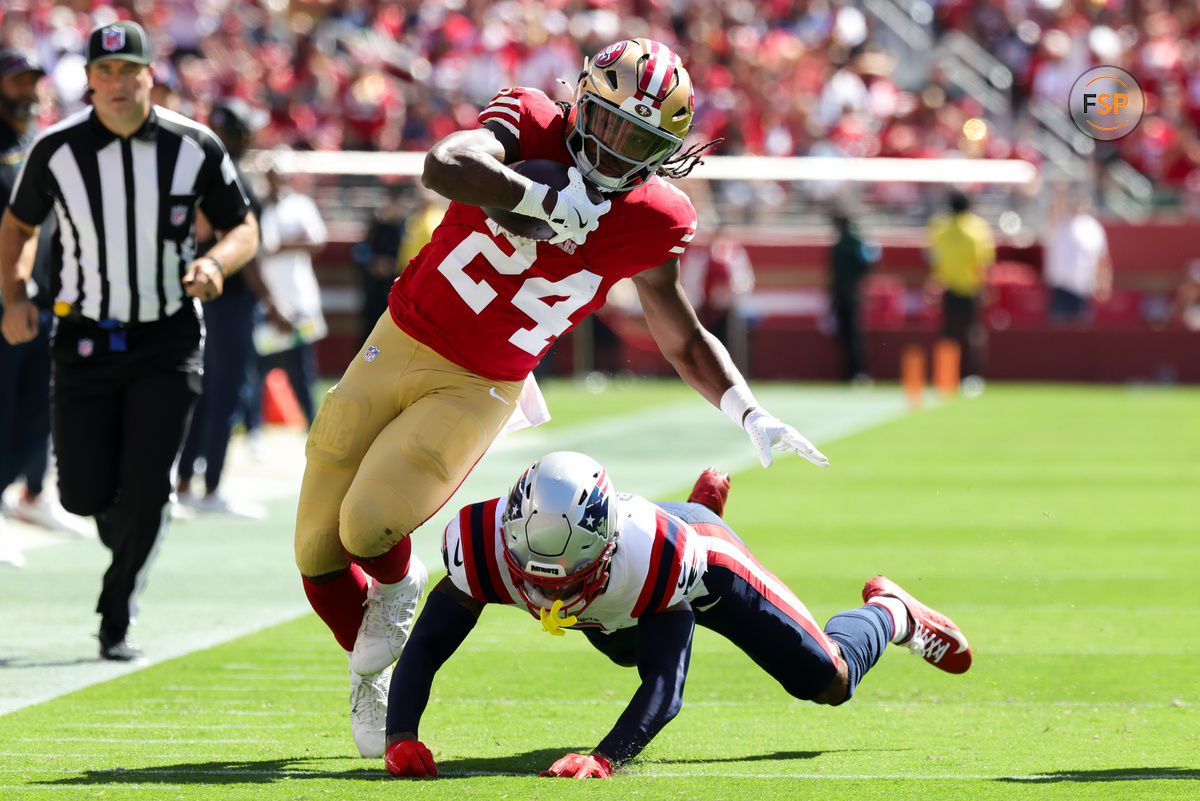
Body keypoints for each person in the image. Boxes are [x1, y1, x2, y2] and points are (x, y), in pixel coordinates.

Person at [293, 38, 829, 760]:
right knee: (316, 549)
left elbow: (680, 331)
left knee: (365, 527)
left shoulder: (653, 216)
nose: (610, 147)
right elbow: (444, 165)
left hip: (480, 378)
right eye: (605, 120)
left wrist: (747, 410)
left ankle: (390, 610)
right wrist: (537, 199)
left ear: (663, 150)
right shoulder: (533, 121)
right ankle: (372, 660)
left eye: (634, 138)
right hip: (399, 334)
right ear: (581, 99)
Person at [382, 452, 973, 778]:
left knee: (827, 682)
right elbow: (429, 643)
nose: (546, 591)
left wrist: (605, 756)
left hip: (701, 563)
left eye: (566, 577)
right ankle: (695, 504)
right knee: (618, 645)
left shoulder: (658, 559)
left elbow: (665, 687)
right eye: (530, 574)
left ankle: (892, 612)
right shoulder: (482, 545)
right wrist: (400, 735)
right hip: (623, 596)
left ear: (605, 547)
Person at [0, 21, 259, 660]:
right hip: (83, 333)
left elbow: (242, 226)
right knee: (83, 492)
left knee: (148, 483)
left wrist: (215, 264)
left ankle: (116, 616)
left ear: (151, 76)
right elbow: (18, 224)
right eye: (104, 72)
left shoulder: (194, 145)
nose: (117, 83)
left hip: (168, 337)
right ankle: (134, 527)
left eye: (129, 71)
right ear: (88, 79)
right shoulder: (55, 149)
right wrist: (13, 294)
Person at [176, 98, 281, 517]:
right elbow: (246, 250)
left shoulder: (205, 174)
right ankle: (211, 486)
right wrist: (272, 300)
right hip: (231, 297)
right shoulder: (234, 178)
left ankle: (186, 480)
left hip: (205, 295)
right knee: (226, 392)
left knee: (205, 393)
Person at [253, 162, 327, 427]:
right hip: (266, 304)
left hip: (300, 301)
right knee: (258, 370)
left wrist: (280, 244)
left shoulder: (300, 205)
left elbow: (316, 241)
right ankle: (253, 431)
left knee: (303, 370)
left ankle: (313, 426)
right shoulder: (258, 207)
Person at [926, 190, 994, 394]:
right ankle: (972, 376)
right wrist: (986, 287)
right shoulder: (977, 229)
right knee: (972, 334)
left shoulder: (939, 227)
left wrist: (935, 281)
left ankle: (946, 376)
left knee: (948, 334)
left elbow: (933, 258)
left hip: (947, 287)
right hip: (970, 288)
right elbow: (983, 263)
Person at [1042, 185, 1112, 327]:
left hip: (1083, 290)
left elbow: (1102, 258)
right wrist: (1060, 188)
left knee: (1080, 335)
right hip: (1060, 288)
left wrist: (1104, 284)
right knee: (1058, 334)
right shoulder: (1062, 222)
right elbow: (1054, 208)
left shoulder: (1094, 227)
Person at [353, 184, 408, 347]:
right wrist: (374, 263)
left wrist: (395, 266)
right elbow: (360, 252)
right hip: (374, 290)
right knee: (370, 331)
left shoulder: (407, 227)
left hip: (397, 289)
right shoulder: (376, 226)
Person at [829, 207, 879, 383]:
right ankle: (850, 372)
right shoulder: (851, 241)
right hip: (845, 292)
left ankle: (858, 372)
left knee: (853, 335)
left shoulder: (852, 241)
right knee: (847, 334)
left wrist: (854, 281)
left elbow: (868, 262)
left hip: (849, 292)